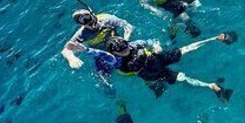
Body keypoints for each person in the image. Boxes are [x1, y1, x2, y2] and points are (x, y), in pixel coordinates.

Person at [82, 35, 234, 100]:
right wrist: (156, 46)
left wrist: (156, 45)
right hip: (154, 61)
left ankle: (210, 86)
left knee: (181, 76)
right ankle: (216, 38)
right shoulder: (132, 45)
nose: (126, 49)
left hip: (150, 70)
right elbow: (149, 41)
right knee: (184, 50)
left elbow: (150, 41)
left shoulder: (117, 60)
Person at [61, 9, 133, 69]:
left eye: (90, 19)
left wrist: (126, 40)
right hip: (100, 50)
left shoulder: (107, 19)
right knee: (102, 73)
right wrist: (71, 58)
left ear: (93, 15)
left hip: (117, 45)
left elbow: (127, 26)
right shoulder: (82, 34)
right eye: (86, 23)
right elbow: (66, 50)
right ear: (80, 25)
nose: (91, 25)